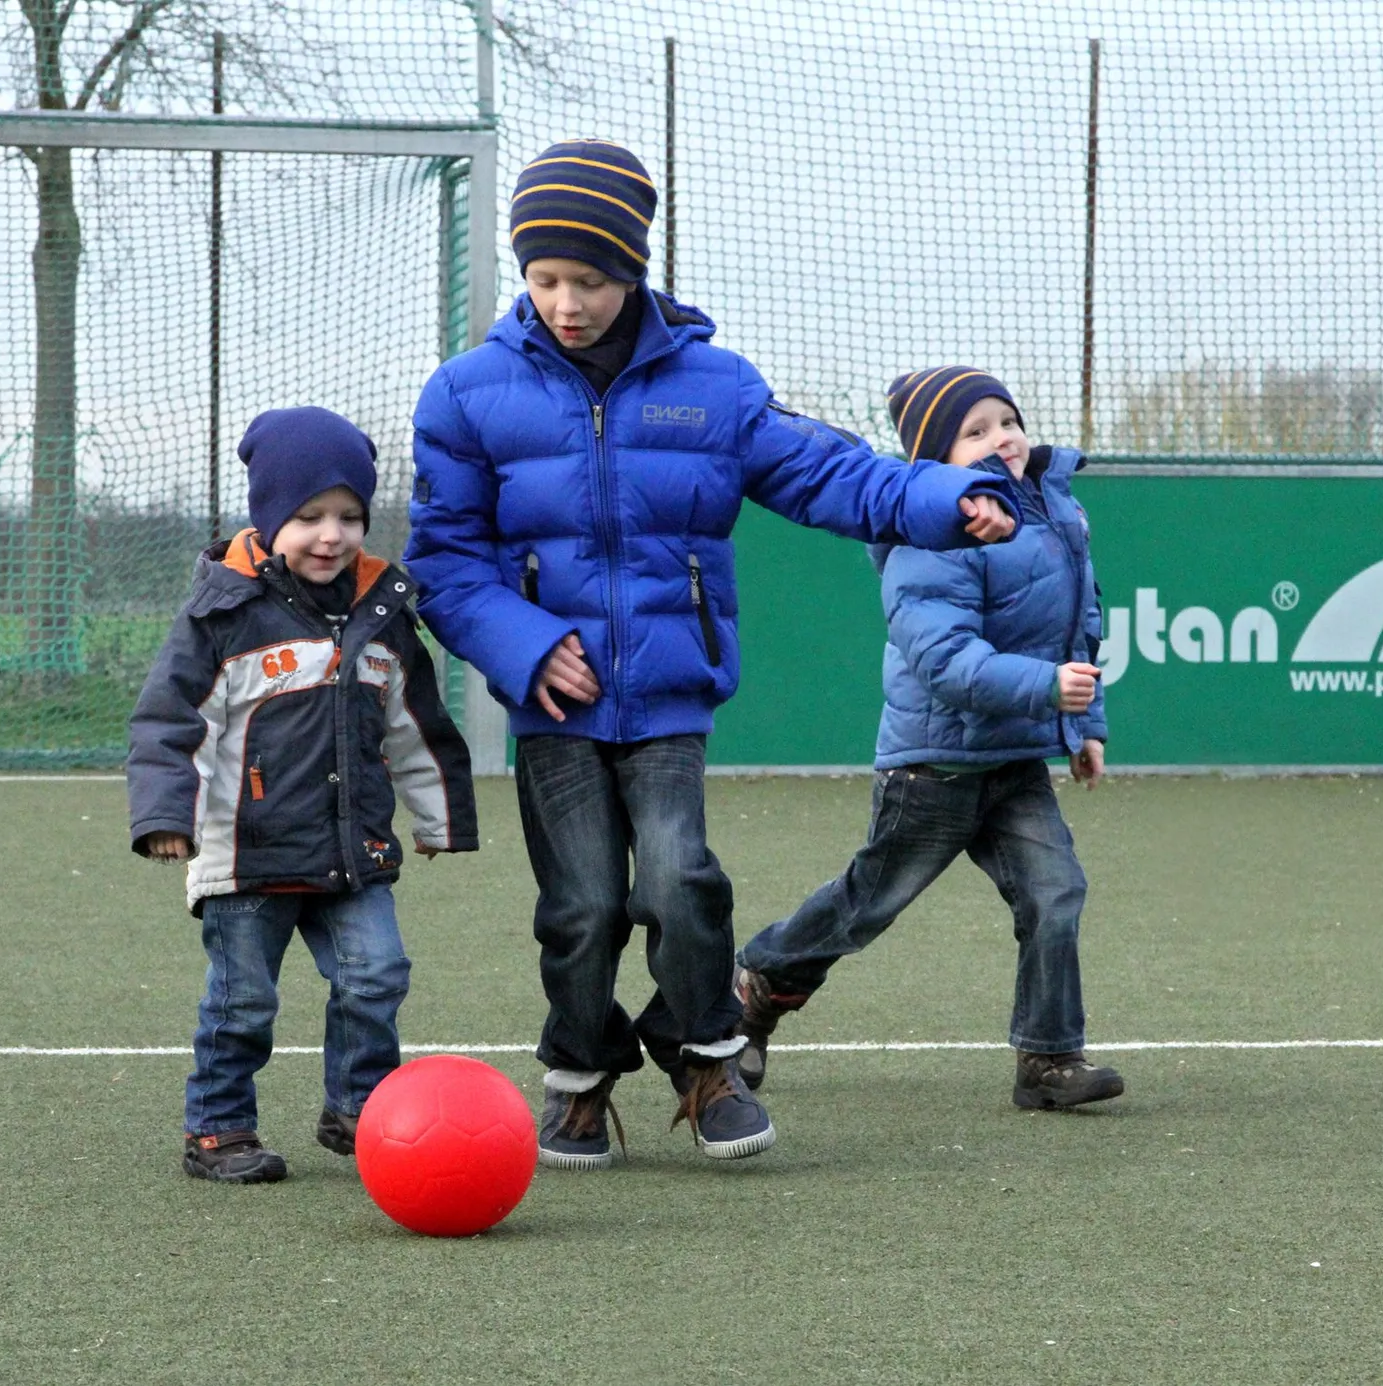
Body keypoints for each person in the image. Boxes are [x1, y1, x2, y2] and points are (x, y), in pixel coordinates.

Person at [404, 140, 1019, 1170]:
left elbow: (837, 477)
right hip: (552, 704)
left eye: (589, 279)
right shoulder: (467, 396)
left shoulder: (714, 388)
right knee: (583, 904)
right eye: (544, 278)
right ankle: (582, 1076)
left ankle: (703, 1060)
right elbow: (444, 563)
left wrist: (948, 501)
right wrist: (526, 647)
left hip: (669, 692)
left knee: (683, 877)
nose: (565, 302)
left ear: (633, 268)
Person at [734, 366, 1125, 1111]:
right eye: (972, 434)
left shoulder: (1055, 511)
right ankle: (756, 983)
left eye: (1004, 421)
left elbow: (1081, 625)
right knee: (867, 905)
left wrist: (1084, 726)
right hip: (933, 766)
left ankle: (1047, 1060)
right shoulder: (929, 539)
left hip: (1011, 760)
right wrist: (1046, 689)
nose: (1000, 440)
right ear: (933, 465)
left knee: (1056, 893)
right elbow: (946, 664)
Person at [128, 406, 478, 1183]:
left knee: (377, 974)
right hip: (245, 855)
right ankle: (218, 1128)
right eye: (309, 515)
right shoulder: (221, 614)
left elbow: (418, 724)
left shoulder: (382, 612)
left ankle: (361, 1108)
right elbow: (165, 721)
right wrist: (164, 816)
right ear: (268, 516)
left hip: (353, 850)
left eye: (349, 516)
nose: (332, 535)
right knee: (242, 1001)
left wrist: (440, 817)